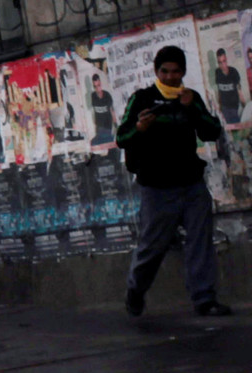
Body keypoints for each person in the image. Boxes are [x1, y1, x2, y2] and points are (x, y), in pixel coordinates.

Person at [118, 45, 232, 317]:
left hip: (192, 185)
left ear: (183, 72)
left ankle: (204, 299)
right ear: (157, 72)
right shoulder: (142, 98)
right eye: (165, 71)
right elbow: (122, 137)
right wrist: (140, 128)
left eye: (176, 71)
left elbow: (211, 131)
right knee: (152, 247)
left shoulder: (189, 98)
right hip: (157, 189)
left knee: (200, 242)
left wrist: (192, 108)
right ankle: (135, 290)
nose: (170, 77)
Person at [215, 48, 244, 127]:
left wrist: (245, 106)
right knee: (227, 131)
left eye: (224, 61)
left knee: (237, 129)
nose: (223, 65)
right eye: (220, 62)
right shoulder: (217, 73)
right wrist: (219, 107)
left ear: (226, 59)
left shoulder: (233, 72)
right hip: (224, 108)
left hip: (234, 108)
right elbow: (219, 90)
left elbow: (239, 90)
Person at [89, 71, 115, 148]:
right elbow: (94, 111)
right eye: (95, 86)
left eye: (99, 85)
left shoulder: (107, 95)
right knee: (92, 144)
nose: (98, 88)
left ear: (101, 83)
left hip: (107, 129)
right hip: (99, 130)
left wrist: (116, 125)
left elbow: (112, 110)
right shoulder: (93, 96)